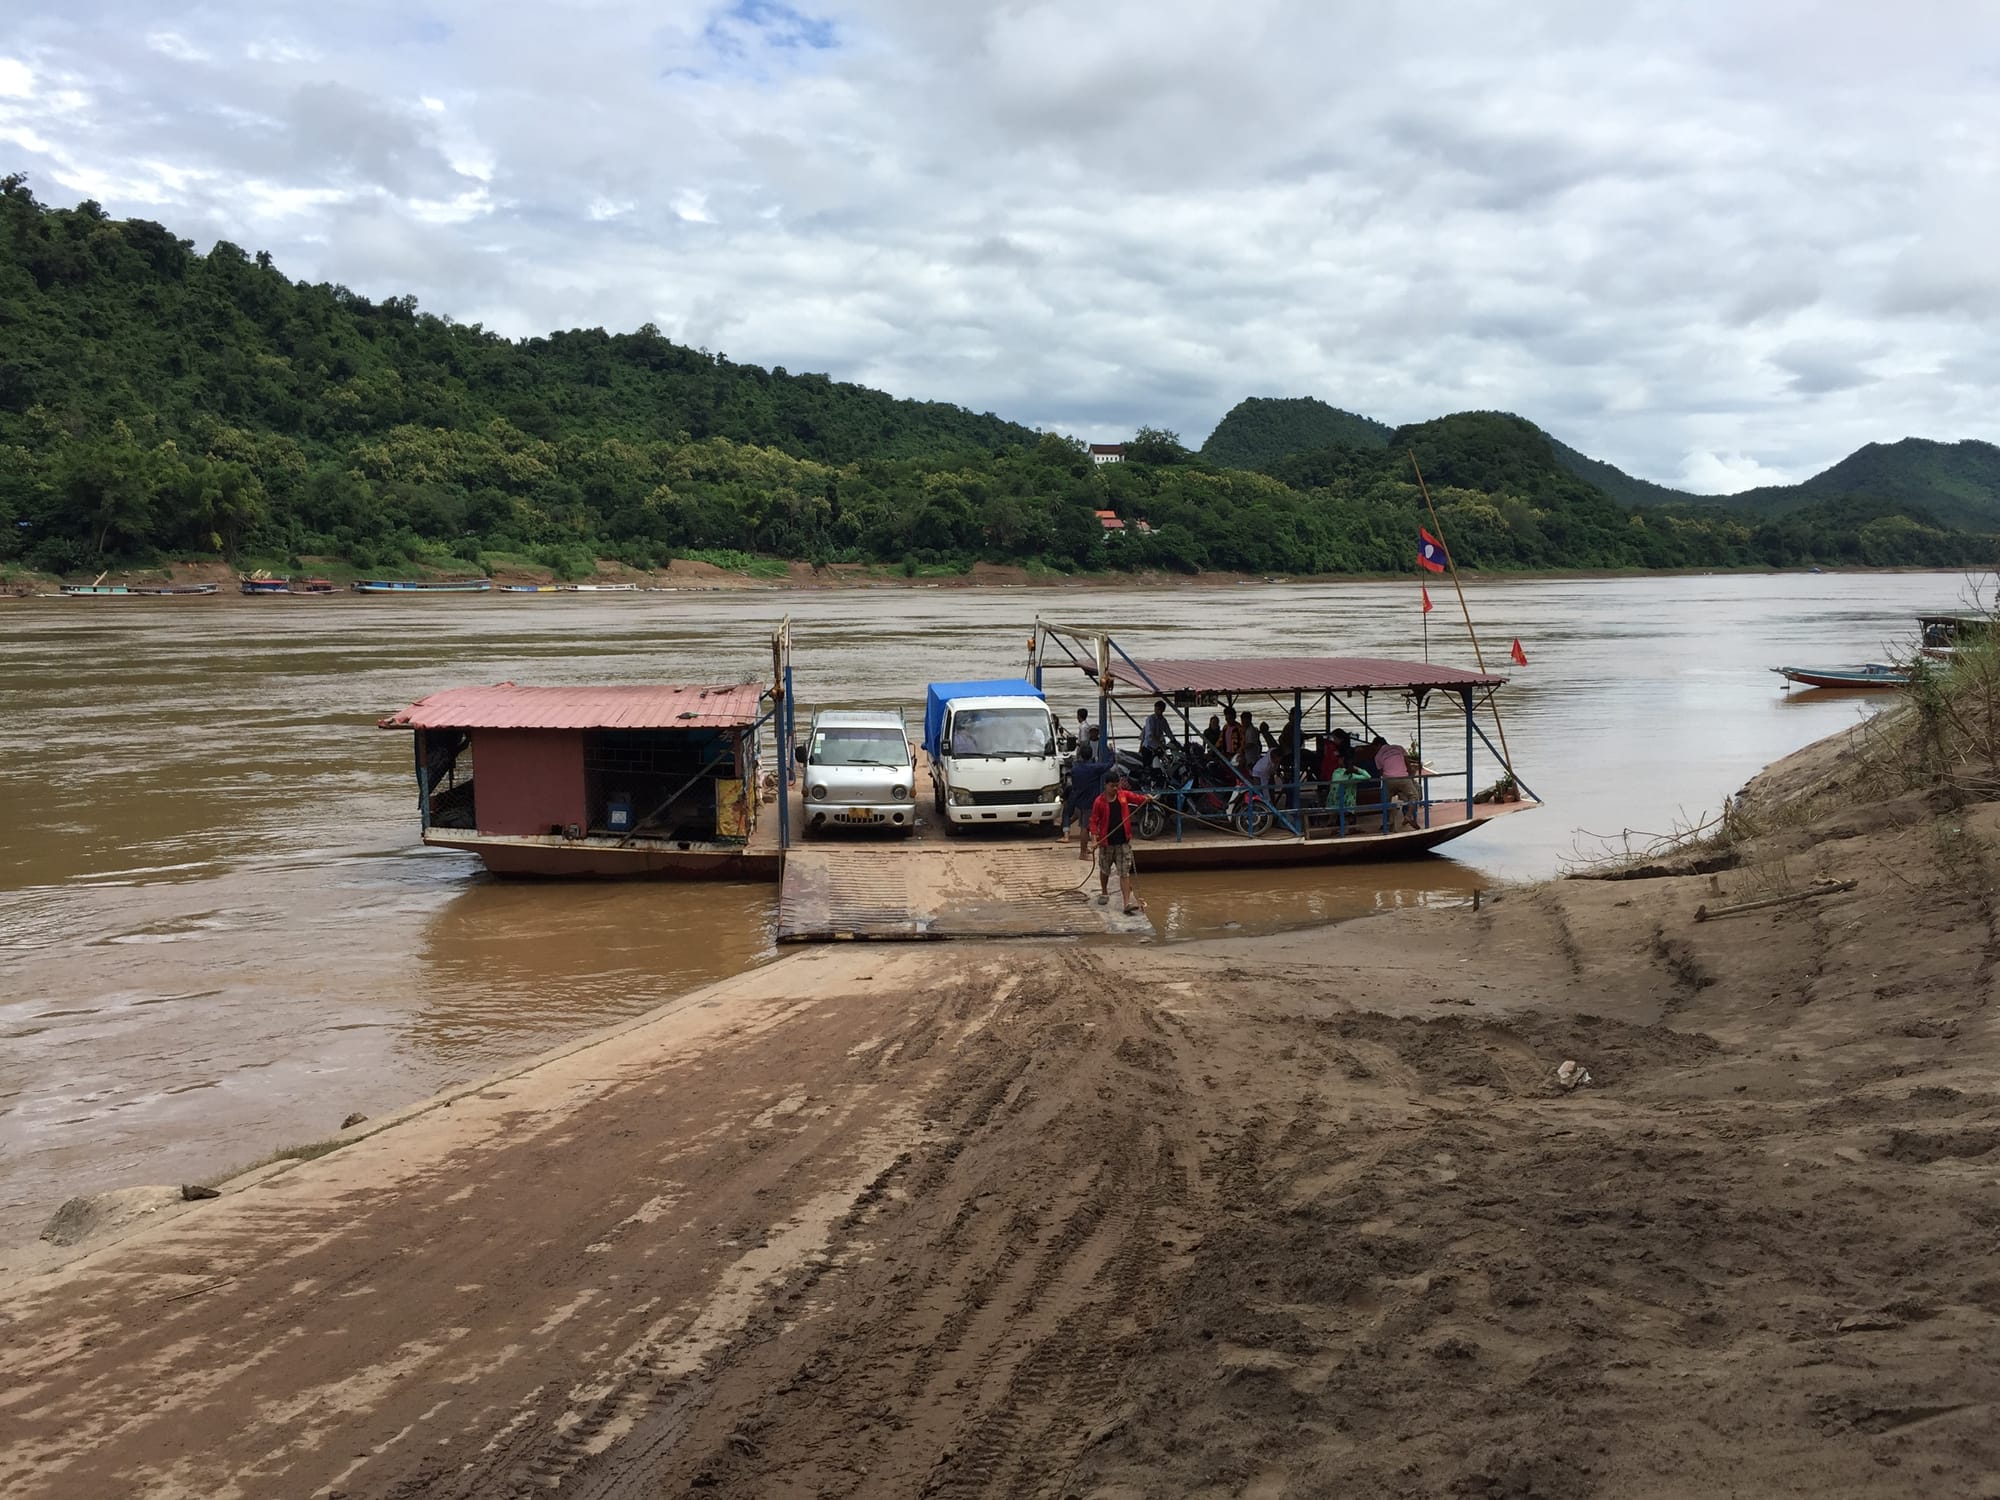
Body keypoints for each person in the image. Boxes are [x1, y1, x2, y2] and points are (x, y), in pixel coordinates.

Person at [1085, 765, 1147, 914]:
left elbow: (1137, 798)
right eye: (1112, 786)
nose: (1115, 789)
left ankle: (1126, 903)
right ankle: (1104, 891)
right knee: (1105, 869)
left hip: (1123, 842)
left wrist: (1147, 799)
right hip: (1106, 843)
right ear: (1105, 785)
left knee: (1124, 872)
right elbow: (1093, 821)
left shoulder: (1123, 795)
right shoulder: (1099, 802)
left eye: (1117, 785)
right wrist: (1094, 840)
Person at [1374, 736, 1422, 831]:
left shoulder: (1378, 756)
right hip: (1403, 778)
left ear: (1378, 745)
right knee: (1414, 796)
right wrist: (1410, 778)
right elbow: (1407, 764)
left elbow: (1380, 772)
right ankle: (1408, 816)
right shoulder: (1399, 748)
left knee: (1385, 801)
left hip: (1389, 780)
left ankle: (1388, 822)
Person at [1140, 698, 1171, 771]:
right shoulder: (1150, 719)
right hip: (1148, 747)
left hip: (1156, 749)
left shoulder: (1163, 720)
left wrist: (1174, 741)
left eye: (1158, 709)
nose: (1156, 711)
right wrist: (1161, 744)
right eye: (1156, 709)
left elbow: (1168, 732)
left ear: (1163, 710)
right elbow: (1151, 735)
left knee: (1157, 767)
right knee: (1147, 767)